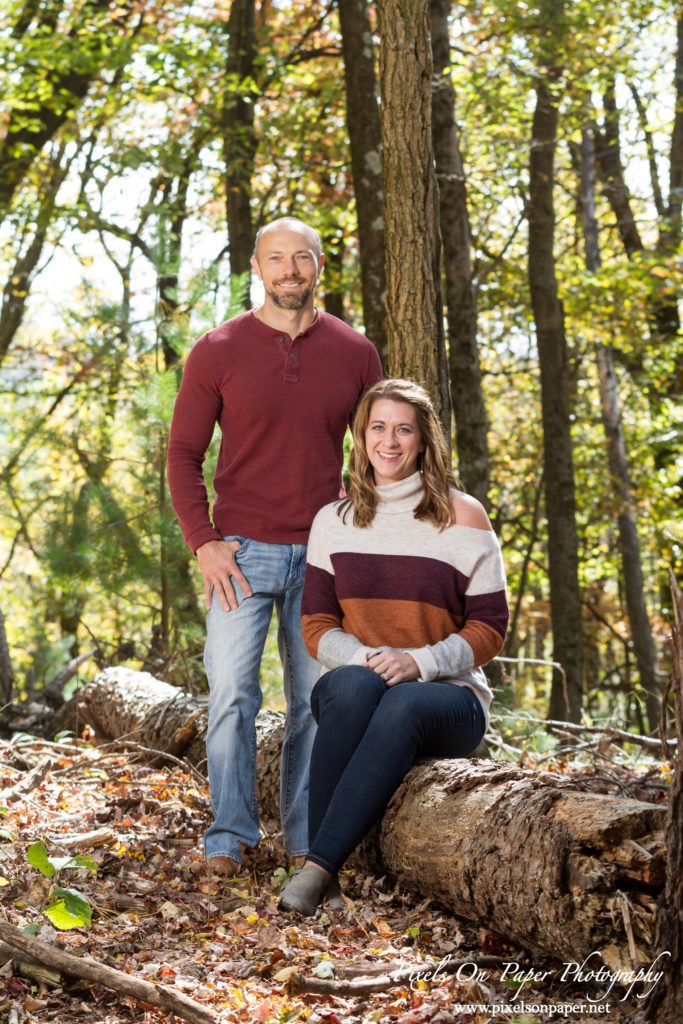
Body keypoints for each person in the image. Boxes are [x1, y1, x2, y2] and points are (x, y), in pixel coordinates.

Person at [166, 217, 382, 880]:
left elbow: (379, 457)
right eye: (276, 259)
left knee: (316, 702)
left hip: (323, 559)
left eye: (302, 259)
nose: (289, 271)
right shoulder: (219, 347)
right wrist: (203, 543)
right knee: (231, 691)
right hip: (239, 553)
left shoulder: (354, 352)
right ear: (257, 268)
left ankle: (304, 839)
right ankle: (229, 834)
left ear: (320, 266)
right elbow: (182, 454)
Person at [278, 378, 509, 915]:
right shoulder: (332, 522)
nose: (390, 440)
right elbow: (315, 625)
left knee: (403, 700)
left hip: (448, 700)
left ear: (423, 440)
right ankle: (324, 878)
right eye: (377, 428)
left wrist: (419, 662)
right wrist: (370, 660)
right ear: (360, 438)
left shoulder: (464, 516)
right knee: (357, 686)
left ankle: (316, 868)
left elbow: (490, 628)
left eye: (403, 429)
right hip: (359, 688)